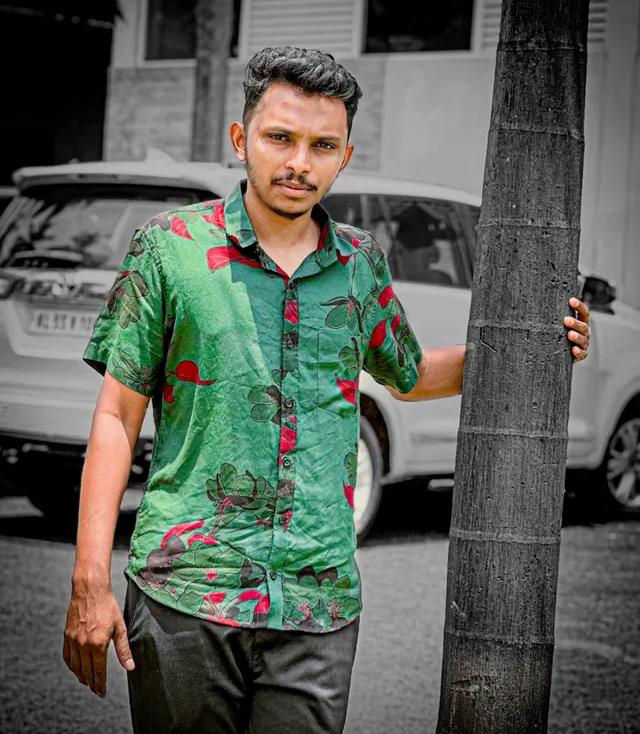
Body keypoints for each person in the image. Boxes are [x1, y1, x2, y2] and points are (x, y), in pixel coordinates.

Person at [62, 46, 591, 734]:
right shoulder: (171, 248)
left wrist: (531, 350)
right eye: (280, 137)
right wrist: (90, 577)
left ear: (344, 155)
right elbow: (115, 417)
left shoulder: (358, 262)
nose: (298, 162)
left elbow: (410, 373)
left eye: (322, 145)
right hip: (186, 594)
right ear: (240, 138)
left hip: (319, 604)